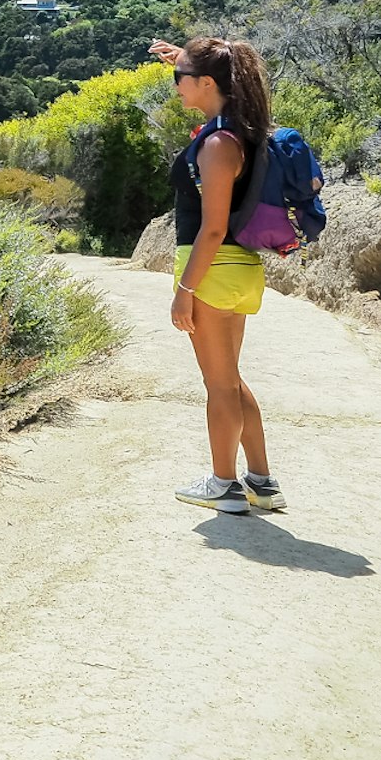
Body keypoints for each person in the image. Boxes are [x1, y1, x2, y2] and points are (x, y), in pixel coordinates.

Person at [147, 36, 287, 516]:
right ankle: (262, 483)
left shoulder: (217, 144)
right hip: (239, 269)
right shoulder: (236, 131)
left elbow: (213, 228)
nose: (175, 85)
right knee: (229, 379)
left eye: (179, 78)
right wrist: (181, 61)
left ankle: (224, 485)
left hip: (213, 270)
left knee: (219, 387)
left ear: (207, 83)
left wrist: (185, 291)